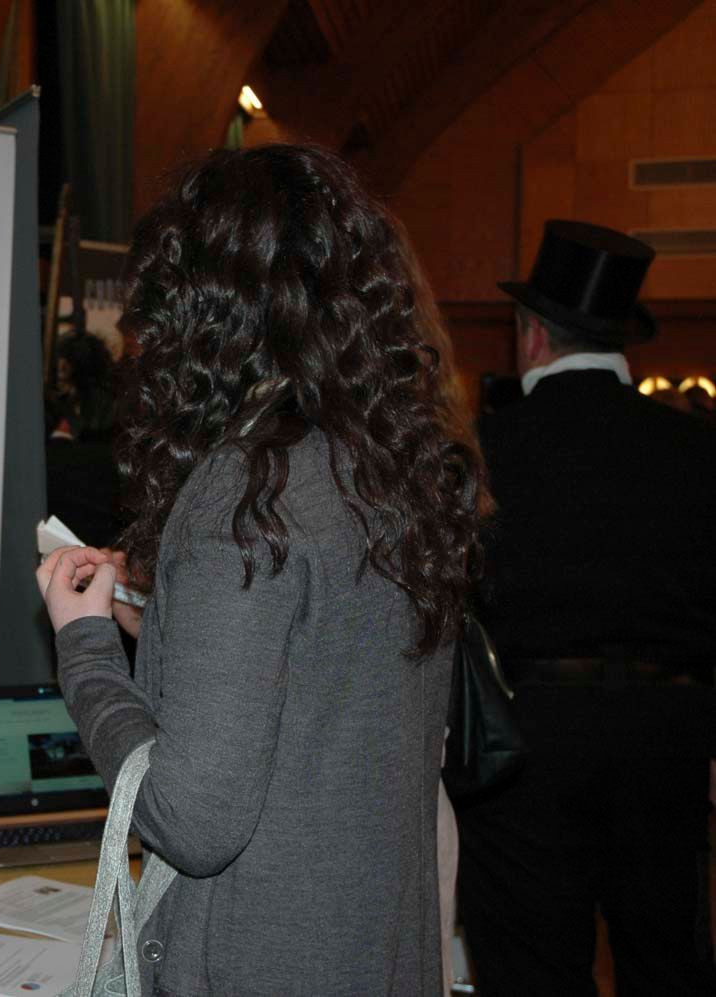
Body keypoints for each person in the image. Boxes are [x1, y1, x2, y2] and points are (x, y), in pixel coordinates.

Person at [36, 144, 486, 994]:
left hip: (261, 958)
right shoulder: (391, 465)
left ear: (198, 312)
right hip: (375, 951)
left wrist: (86, 646)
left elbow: (192, 820)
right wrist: (165, 620)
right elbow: (324, 688)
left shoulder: (245, 495)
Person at [456, 220, 716, 995]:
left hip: (524, 745)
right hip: (666, 739)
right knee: (666, 964)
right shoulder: (697, 450)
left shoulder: (483, 450)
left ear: (532, 334)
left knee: (532, 972)